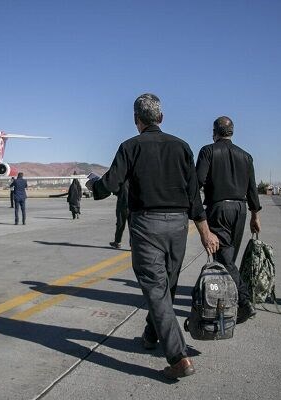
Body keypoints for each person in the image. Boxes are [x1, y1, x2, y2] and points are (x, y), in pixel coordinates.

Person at [88, 93, 218, 380]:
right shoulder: (182, 147)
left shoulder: (130, 147)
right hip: (178, 227)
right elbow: (193, 194)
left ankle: (178, 357)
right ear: (161, 118)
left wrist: (93, 184)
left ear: (137, 120)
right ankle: (150, 335)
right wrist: (204, 230)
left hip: (147, 226)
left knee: (157, 291)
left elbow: (110, 183)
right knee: (167, 285)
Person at [195, 116, 261, 324]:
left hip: (220, 208)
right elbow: (252, 189)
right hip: (240, 210)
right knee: (228, 256)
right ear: (232, 132)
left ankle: (244, 301)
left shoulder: (208, 151)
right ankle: (226, 300)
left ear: (214, 132)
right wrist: (255, 215)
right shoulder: (246, 156)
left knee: (224, 259)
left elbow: (197, 182)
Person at [110, 181, 129, 249]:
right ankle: (133, 245)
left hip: (122, 204)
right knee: (132, 226)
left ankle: (117, 242)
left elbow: (115, 190)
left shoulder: (121, 180)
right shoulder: (134, 179)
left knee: (120, 224)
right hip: (132, 205)